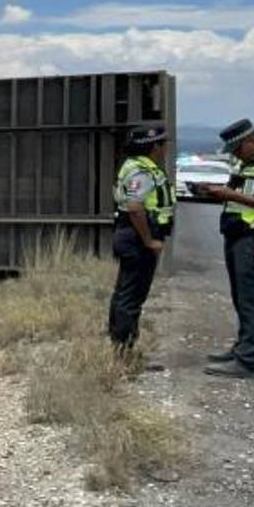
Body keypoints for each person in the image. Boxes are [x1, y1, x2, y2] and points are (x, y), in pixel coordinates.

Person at [199, 118, 254, 379]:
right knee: (241, 297)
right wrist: (215, 193)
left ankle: (247, 360)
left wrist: (231, 195)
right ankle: (242, 347)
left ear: (253, 140)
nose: (236, 154)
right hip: (237, 236)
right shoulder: (246, 165)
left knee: (252, 299)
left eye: (238, 148)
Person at [107, 126, 174, 356]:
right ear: (154, 146)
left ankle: (120, 345)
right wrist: (148, 241)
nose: (165, 148)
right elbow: (136, 208)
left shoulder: (135, 165)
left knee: (125, 293)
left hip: (131, 235)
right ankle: (123, 349)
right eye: (163, 144)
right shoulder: (142, 171)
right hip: (136, 238)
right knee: (131, 296)